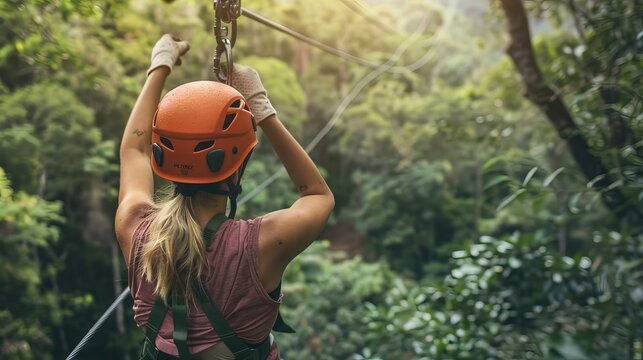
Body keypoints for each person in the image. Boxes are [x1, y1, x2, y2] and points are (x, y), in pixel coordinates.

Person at [115, 34, 334, 359]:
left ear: (161, 159)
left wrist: (159, 65)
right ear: (236, 167)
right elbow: (318, 195)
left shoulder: (134, 228)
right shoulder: (260, 245)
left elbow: (133, 148)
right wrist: (261, 108)